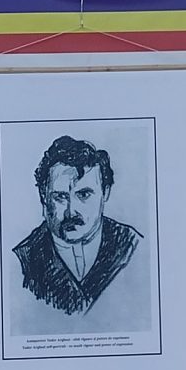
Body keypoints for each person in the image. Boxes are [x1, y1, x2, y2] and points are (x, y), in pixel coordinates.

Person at [13, 135, 144, 316]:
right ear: (43, 196)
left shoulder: (133, 246)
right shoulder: (21, 262)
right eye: (60, 196)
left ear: (105, 193)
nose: (71, 211)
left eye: (83, 195)